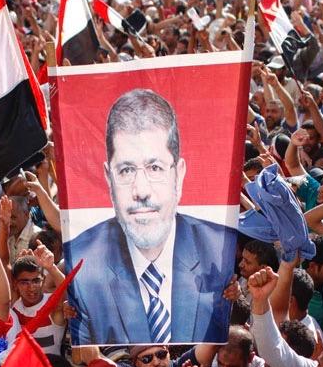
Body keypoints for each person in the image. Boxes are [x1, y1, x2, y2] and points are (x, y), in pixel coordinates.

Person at [66, 88, 235, 345]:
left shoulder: (220, 251)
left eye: (155, 168)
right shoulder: (81, 265)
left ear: (178, 174)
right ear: (108, 178)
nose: (141, 191)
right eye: (126, 170)